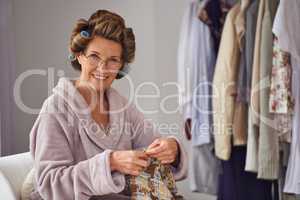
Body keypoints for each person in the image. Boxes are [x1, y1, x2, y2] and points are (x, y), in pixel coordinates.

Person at [29, 9, 187, 200]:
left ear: (121, 66)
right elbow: (50, 184)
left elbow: (154, 147)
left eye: (113, 60)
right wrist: (110, 163)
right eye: (94, 56)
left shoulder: (122, 107)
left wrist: (172, 150)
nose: (103, 68)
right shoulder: (55, 110)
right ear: (79, 55)